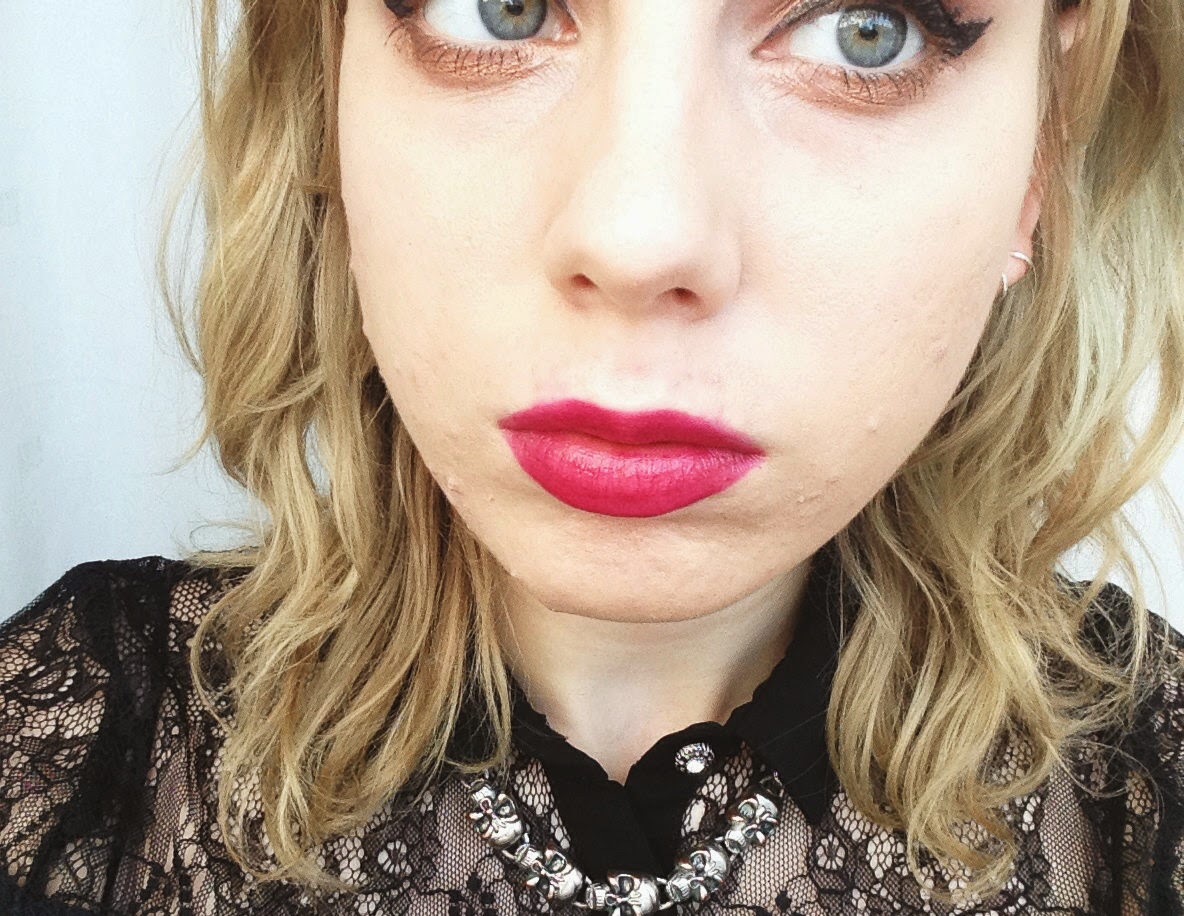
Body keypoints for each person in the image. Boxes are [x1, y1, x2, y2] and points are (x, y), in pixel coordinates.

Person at [2, 0, 1183, 912]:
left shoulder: (1139, 801)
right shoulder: (73, 763)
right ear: (330, 85)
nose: (635, 238)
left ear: (1044, 136)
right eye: (499, 7)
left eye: (865, 29)